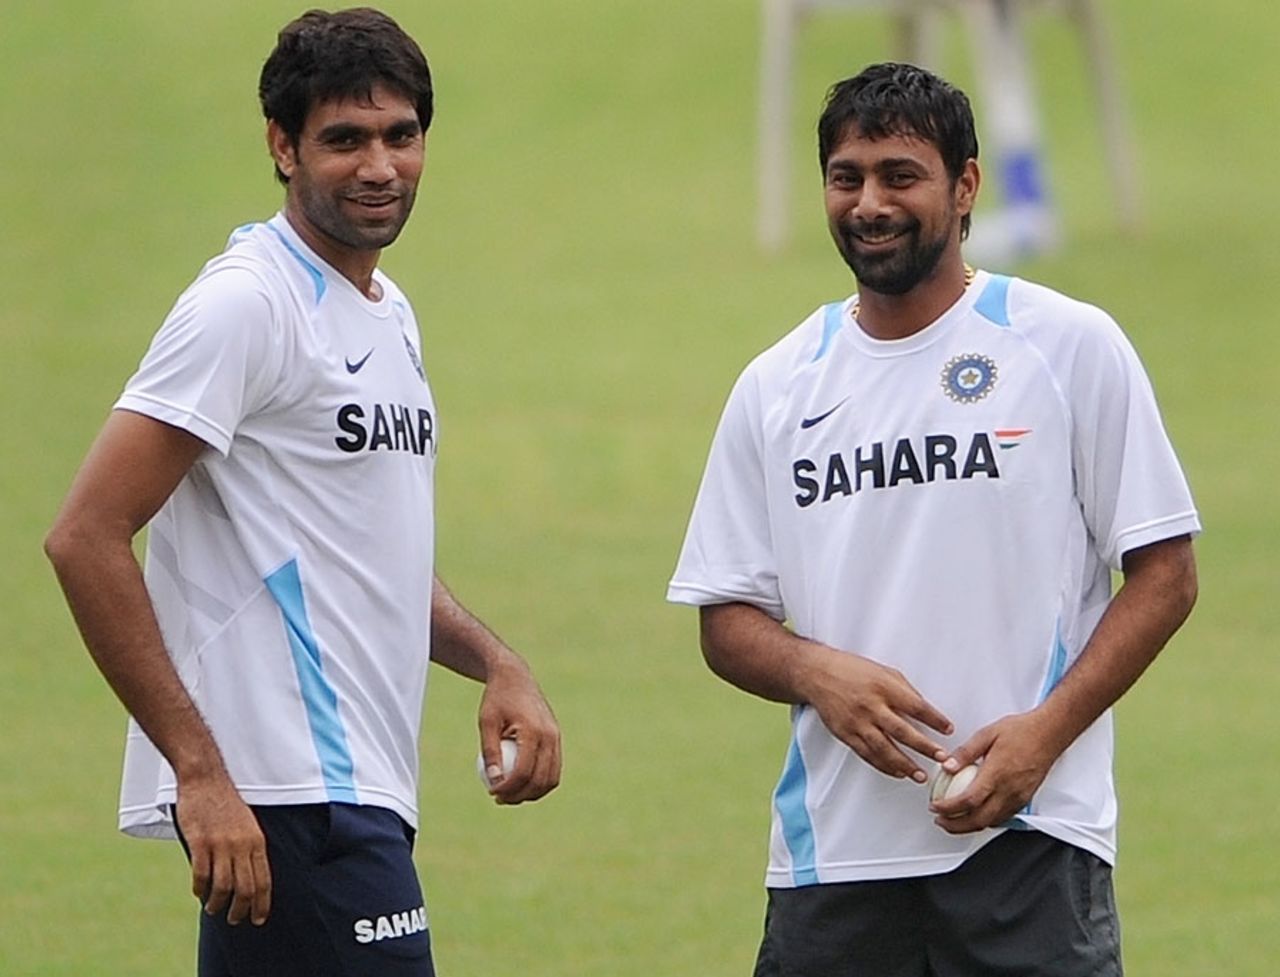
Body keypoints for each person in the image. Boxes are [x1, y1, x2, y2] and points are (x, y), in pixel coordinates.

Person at [44, 9, 561, 976]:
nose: (380, 166)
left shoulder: (385, 309)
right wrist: (199, 772)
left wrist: (496, 661)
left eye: (401, 136)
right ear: (283, 147)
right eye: (345, 140)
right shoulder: (248, 304)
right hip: (286, 801)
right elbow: (85, 534)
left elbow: (362, 553)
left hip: (349, 795)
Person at [667, 62, 1198, 976]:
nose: (870, 203)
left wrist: (1044, 735)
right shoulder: (777, 385)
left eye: (900, 176)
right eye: (848, 177)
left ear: (965, 187)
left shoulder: (1066, 345)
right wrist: (814, 670)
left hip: (1031, 845)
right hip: (832, 864)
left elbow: (1166, 573)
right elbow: (725, 620)